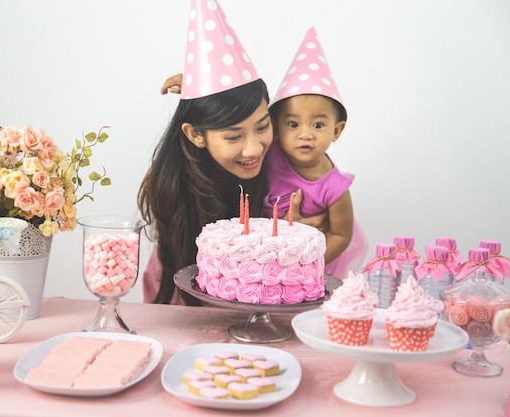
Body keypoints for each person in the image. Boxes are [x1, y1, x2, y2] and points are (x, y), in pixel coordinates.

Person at [138, 1, 326, 305]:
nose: (253, 149)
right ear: (195, 134)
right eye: (234, 135)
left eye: (263, 126)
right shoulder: (175, 182)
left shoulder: (284, 157)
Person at [263, 27, 368, 279]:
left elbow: (341, 235)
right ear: (275, 127)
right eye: (293, 124)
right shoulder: (269, 155)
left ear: (337, 130)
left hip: (303, 269)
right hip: (261, 256)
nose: (305, 134)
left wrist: (306, 264)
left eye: (318, 125)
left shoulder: (336, 188)